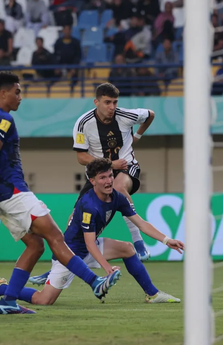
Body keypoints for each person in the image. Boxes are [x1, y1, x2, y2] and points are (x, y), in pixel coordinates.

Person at [0, 72, 121, 314]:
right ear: (3, 93)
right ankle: (95, 282)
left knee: (35, 246)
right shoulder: (4, 119)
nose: (21, 96)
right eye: (17, 92)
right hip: (14, 192)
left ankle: (7, 301)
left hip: (4, 198)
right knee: (56, 237)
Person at [0, 158, 183, 305]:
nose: (109, 181)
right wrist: (107, 269)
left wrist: (166, 240)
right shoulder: (89, 205)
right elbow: (89, 243)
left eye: (110, 176)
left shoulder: (117, 197)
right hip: (69, 255)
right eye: (102, 177)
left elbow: (141, 223)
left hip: (88, 248)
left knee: (128, 249)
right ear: (92, 181)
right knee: (44, 300)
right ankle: (1, 288)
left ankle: (153, 294)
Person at [29, 83, 155, 285]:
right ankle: (56, 269)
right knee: (74, 222)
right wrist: (109, 164)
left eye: (115, 102)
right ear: (96, 102)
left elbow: (150, 114)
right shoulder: (83, 123)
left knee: (119, 188)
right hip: (98, 174)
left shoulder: (125, 116)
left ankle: (138, 242)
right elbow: (80, 157)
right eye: (107, 102)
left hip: (126, 166)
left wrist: (137, 136)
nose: (112, 107)